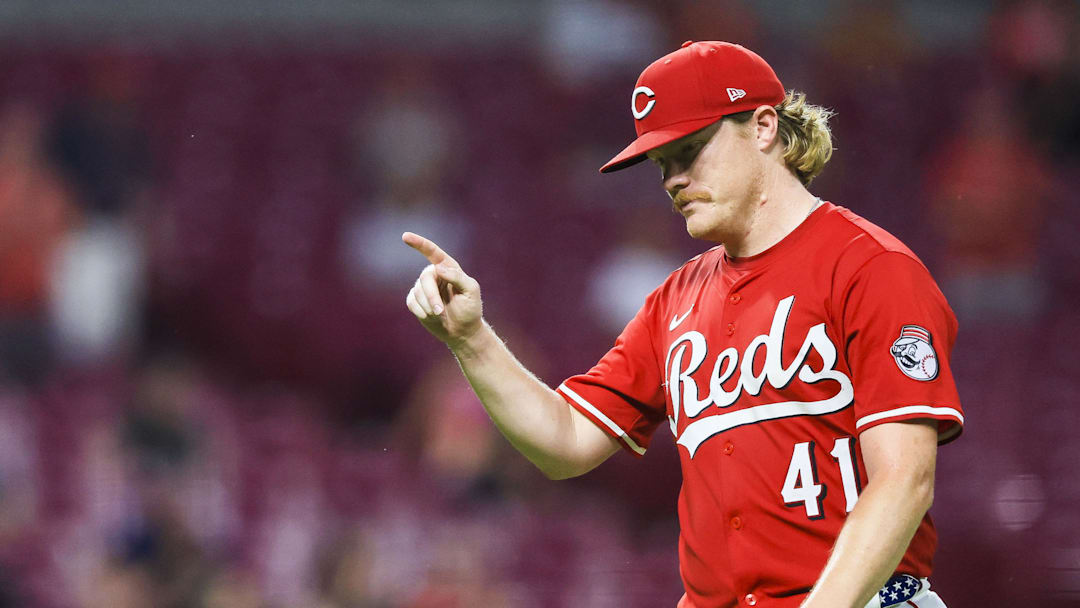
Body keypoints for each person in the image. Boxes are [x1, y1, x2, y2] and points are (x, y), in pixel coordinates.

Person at [402, 40, 963, 608]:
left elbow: (904, 480)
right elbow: (565, 441)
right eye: (662, 163)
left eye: (690, 150)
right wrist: (470, 339)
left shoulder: (869, 267)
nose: (673, 178)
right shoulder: (675, 299)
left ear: (764, 126)